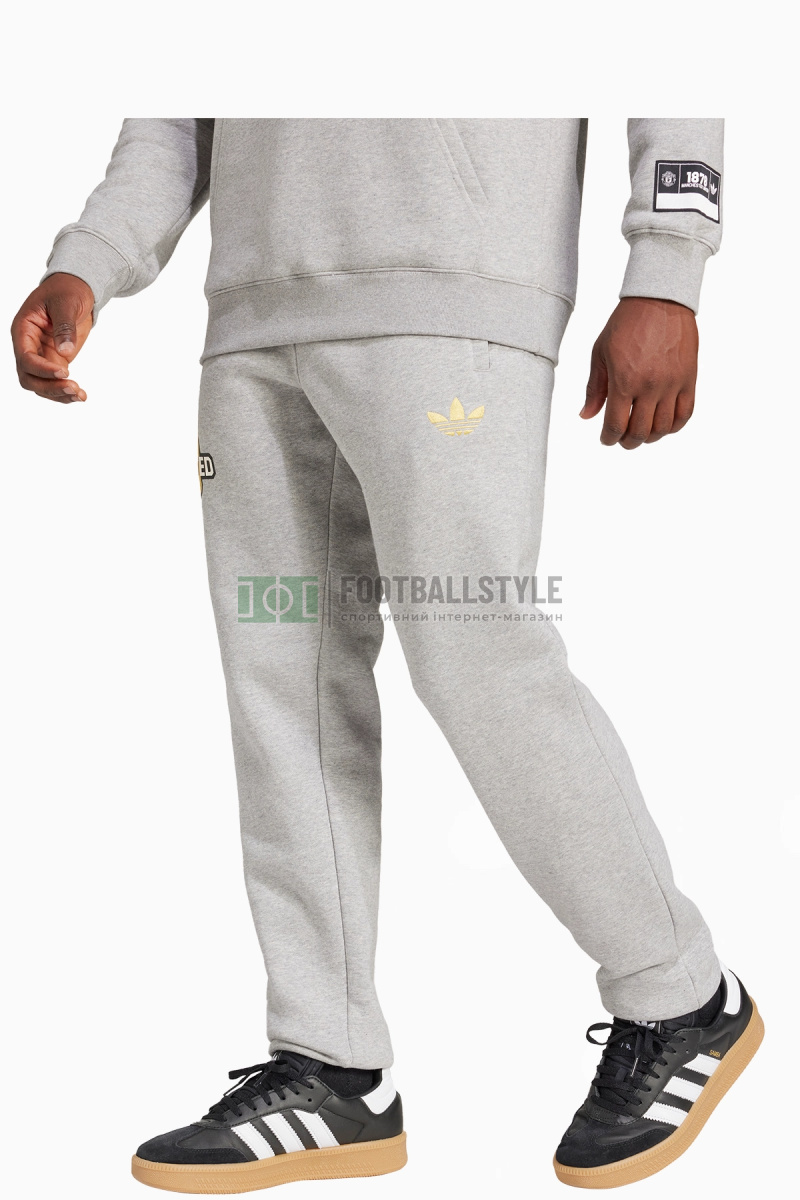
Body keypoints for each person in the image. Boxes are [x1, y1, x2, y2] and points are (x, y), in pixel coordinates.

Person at [11, 119, 761, 1193]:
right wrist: (90, 260)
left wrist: (667, 270)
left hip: (454, 286)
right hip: (254, 313)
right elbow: (177, 112)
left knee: (478, 655)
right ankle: (331, 1063)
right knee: (283, 682)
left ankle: (680, 992)